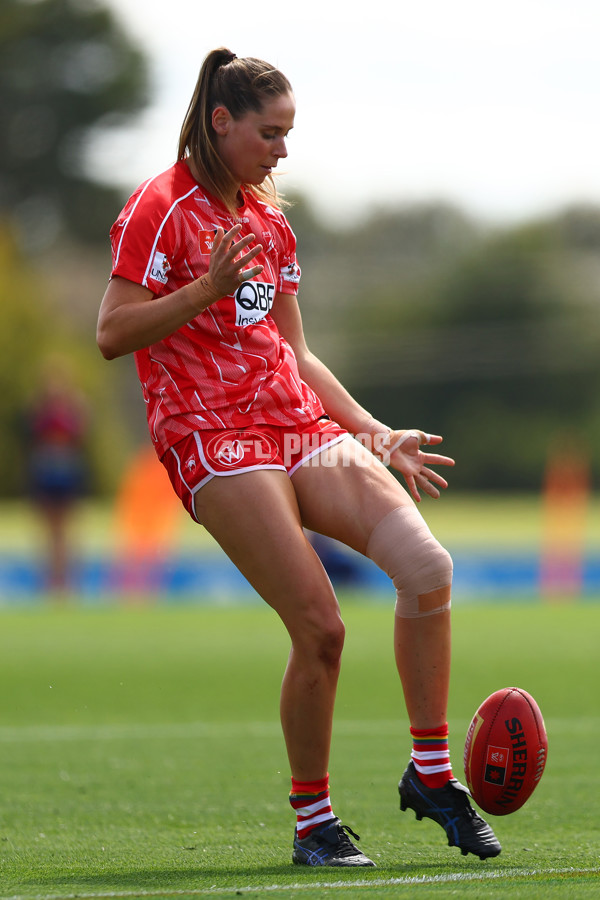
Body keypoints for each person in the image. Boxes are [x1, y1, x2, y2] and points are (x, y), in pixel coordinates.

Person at [97, 47, 501, 867]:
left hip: (293, 424)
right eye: (270, 132)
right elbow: (110, 334)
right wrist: (201, 294)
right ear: (222, 122)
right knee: (321, 627)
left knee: (427, 567)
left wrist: (374, 432)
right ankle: (313, 820)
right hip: (212, 435)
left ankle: (430, 776)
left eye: (288, 134)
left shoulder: (269, 219)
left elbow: (299, 355)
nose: (283, 150)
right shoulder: (159, 208)